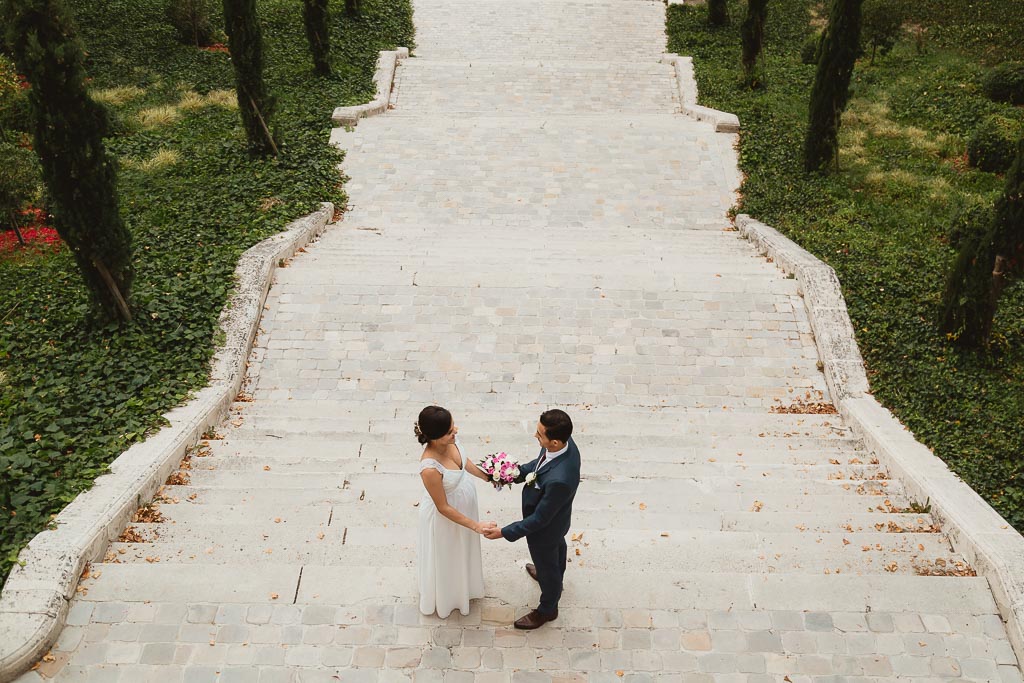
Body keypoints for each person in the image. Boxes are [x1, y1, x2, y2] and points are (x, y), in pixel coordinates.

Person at [484, 409, 580, 629]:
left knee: (548, 567)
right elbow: (538, 467)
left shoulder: (560, 480)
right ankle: (552, 572)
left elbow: (539, 519)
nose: (536, 437)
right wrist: (512, 473)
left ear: (554, 442)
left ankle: (548, 609)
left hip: (545, 530)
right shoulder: (565, 444)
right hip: (558, 522)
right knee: (556, 551)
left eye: (539, 435)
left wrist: (503, 532)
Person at [416, 405, 496, 617]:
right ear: (434, 437)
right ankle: (449, 596)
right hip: (446, 519)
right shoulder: (430, 468)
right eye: (450, 431)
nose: (456, 431)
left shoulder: (451, 441)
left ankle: (467, 584)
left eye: (453, 426)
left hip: (464, 503)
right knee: (449, 555)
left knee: (464, 549)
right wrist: (476, 525)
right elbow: (442, 507)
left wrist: (486, 476)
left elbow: (463, 462)